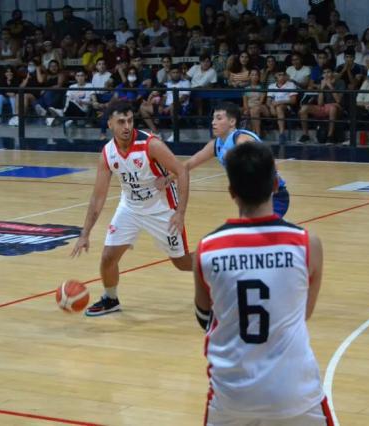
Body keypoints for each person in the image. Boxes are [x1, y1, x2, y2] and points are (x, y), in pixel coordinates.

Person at [193, 141, 330, 426]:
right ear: (275, 185)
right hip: (294, 392)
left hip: (231, 394)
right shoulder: (307, 244)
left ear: (231, 192)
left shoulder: (207, 249)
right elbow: (304, 312)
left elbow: (203, 315)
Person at [70, 101, 192, 316]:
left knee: (182, 263)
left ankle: (217, 262)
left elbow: (182, 172)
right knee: (108, 257)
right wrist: (85, 233)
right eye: (121, 122)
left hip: (162, 208)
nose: (127, 126)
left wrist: (180, 213)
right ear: (110, 124)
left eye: (130, 121)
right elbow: (98, 197)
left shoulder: (150, 145)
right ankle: (111, 298)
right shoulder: (108, 153)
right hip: (130, 207)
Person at [166, 102, 291, 217]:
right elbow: (188, 164)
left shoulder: (242, 141)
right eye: (213, 118)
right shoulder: (216, 144)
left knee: (259, 233)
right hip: (249, 197)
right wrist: (166, 179)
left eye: (219, 118)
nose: (213, 122)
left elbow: (271, 163)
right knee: (251, 234)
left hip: (271, 196)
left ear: (232, 121)